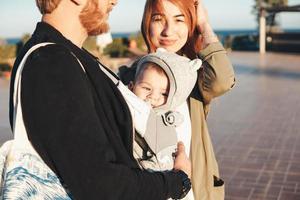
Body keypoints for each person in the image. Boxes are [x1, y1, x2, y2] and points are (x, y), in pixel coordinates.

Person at [9, 0, 192, 199]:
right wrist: (177, 181)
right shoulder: (52, 62)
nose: (115, 1)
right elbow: (103, 186)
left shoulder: (68, 56)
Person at [118, 0, 236, 199]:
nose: (168, 31)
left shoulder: (194, 76)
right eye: (158, 19)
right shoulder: (129, 77)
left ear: (191, 25)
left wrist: (204, 25)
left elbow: (222, 80)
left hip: (194, 192)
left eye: (179, 20)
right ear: (147, 23)